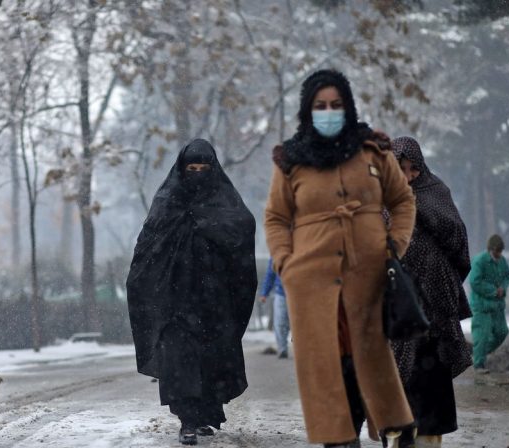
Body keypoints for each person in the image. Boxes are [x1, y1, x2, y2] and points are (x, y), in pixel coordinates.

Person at [264, 69, 417, 448]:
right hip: (310, 284)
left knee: (373, 364)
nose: (328, 111)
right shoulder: (291, 161)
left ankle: (395, 432)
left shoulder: (373, 150)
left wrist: (394, 246)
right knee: (328, 370)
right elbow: (276, 218)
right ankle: (340, 439)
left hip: (369, 280)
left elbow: (402, 202)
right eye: (320, 106)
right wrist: (286, 263)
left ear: (347, 106)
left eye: (336, 104)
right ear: (308, 110)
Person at [126, 138, 257, 445]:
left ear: (213, 170)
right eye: (191, 168)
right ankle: (187, 419)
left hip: (214, 301)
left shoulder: (225, 203)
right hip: (175, 301)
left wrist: (209, 228)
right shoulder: (168, 202)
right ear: (181, 170)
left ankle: (206, 414)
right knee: (180, 359)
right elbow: (147, 246)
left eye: (204, 168)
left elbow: (242, 229)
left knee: (211, 359)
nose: (197, 174)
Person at [391, 136, 473, 448]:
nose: (409, 175)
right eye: (402, 169)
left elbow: (458, 240)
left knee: (430, 388)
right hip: (397, 313)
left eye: (414, 169)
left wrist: (420, 210)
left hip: (435, 312)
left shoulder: (436, 193)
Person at [469, 234, 509, 373]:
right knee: (482, 334)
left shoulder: (502, 260)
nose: (499, 254)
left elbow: (506, 276)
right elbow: (475, 282)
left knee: (502, 332)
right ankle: (479, 365)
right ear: (490, 249)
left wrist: (503, 289)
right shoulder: (480, 261)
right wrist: (493, 291)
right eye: (497, 251)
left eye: (501, 251)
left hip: (497, 305)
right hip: (482, 305)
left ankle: (477, 353)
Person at [259, 258, 290, 358]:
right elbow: (270, 274)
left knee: (299, 323)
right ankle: (282, 348)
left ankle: (301, 348)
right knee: (280, 322)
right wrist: (264, 293)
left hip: (299, 293)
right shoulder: (276, 254)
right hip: (281, 293)